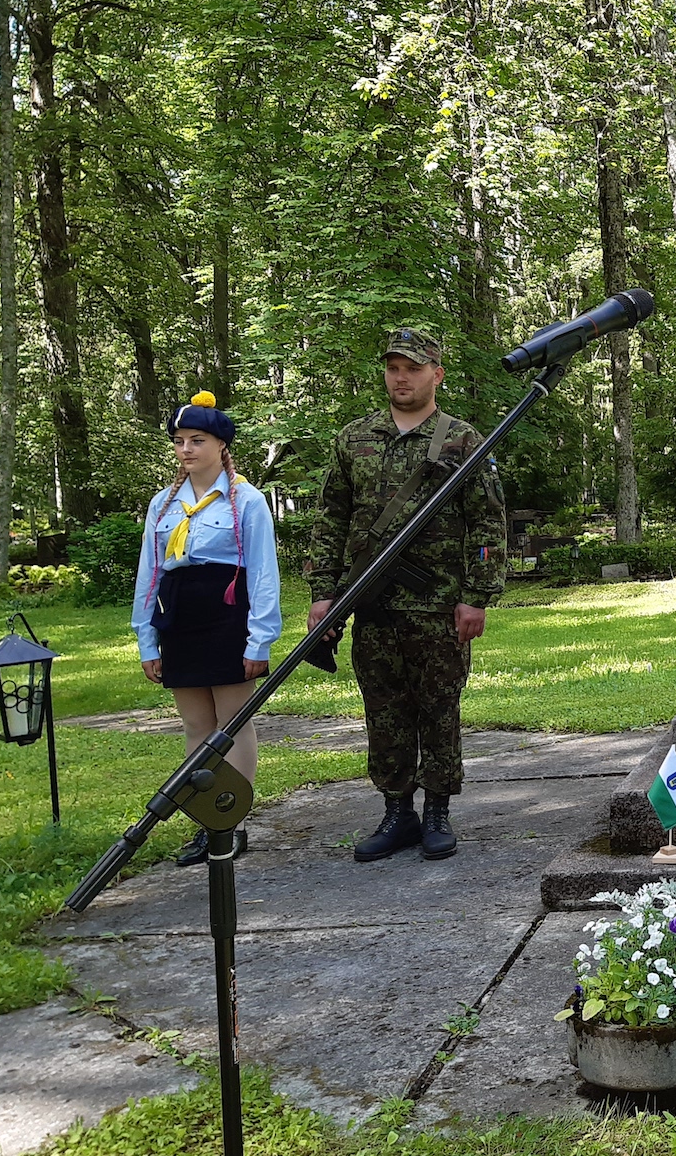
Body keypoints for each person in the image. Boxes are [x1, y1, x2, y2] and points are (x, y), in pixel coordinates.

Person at [307, 330, 506, 863]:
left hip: (438, 604)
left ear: (436, 374)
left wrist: (477, 595)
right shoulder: (354, 438)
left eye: (413, 368)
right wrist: (324, 593)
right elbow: (331, 519)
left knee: (439, 708)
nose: (401, 377)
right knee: (384, 710)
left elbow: (487, 525)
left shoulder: (463, 439)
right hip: (371, 604)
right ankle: (397, 812)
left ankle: (437, 809)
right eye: (394, 367)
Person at [131, 392, 282, 866]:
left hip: (226, 616)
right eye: (179, 441)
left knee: (232, 725)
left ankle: (231, 820)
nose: (186, 449)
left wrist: (260, 637)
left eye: (197, 440)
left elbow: (262, 574)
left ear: (221, 446)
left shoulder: (246, 500)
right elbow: (149, 573)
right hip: (180, 619)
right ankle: (205, 822)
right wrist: (147, 637)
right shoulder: (164, 503)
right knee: (196, 726)